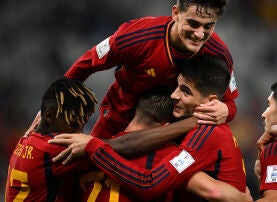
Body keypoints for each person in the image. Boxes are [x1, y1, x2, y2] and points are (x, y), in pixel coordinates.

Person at [26, 0, 239, 139]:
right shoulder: (137, 36)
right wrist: (55, 103)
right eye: (193, 23)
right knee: (90, 166)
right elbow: (87, 63)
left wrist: (226, 111)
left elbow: (229, 101)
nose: (200, 34)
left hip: (173, 127)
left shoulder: (219, 55)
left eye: (208, 26)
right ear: (175, 13)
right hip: (121, 113)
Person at [49, 55, 247, 201]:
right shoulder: (180, 144)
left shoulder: (203, 132)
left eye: (185, 91)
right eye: (177, 86)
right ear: (165, 124)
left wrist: (93, 147)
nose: (174, 95)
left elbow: (151, 183)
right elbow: (217, 191)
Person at [80, 85, 250, 201]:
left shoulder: (86, 147)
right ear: (167, 127)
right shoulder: (167, 155)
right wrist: (244, 198)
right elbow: (215, 191)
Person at [5, 78, 97, 201]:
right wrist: (91, 144)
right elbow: (110, 149)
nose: (80, 134)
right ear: (49, 116)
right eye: (73, 124)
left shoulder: (25, 141)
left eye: (82, 126)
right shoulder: (54, 148)